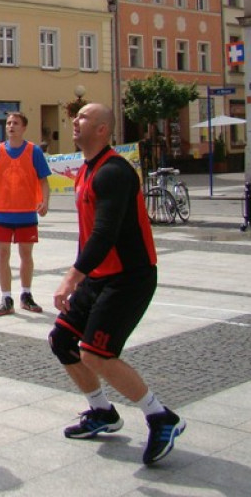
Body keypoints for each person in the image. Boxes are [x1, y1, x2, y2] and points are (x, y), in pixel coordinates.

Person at [51, 103, 185, 466]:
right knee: (62, 340)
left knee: (96, 353)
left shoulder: (113, 172)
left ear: (102, 129)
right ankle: (102, 412)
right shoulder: (86, 169)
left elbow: (105, 234)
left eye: (83, 117)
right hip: (99, 277)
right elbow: (88, 235)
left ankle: (162, 417)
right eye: (76, 116)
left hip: (130, 277)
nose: (74, 121)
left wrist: (70, 277)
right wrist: (81, 278)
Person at [0, 112, 51, 316]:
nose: (11, 126)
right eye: (9, 123)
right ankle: (6, 298)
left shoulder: (34, 151)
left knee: (26, 255)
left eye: (15, 123)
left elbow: (44, 180)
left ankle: (26, 295)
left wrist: (45, 202)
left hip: (26, 213)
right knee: (3, 254)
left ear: (24, 127)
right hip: (2, 213)